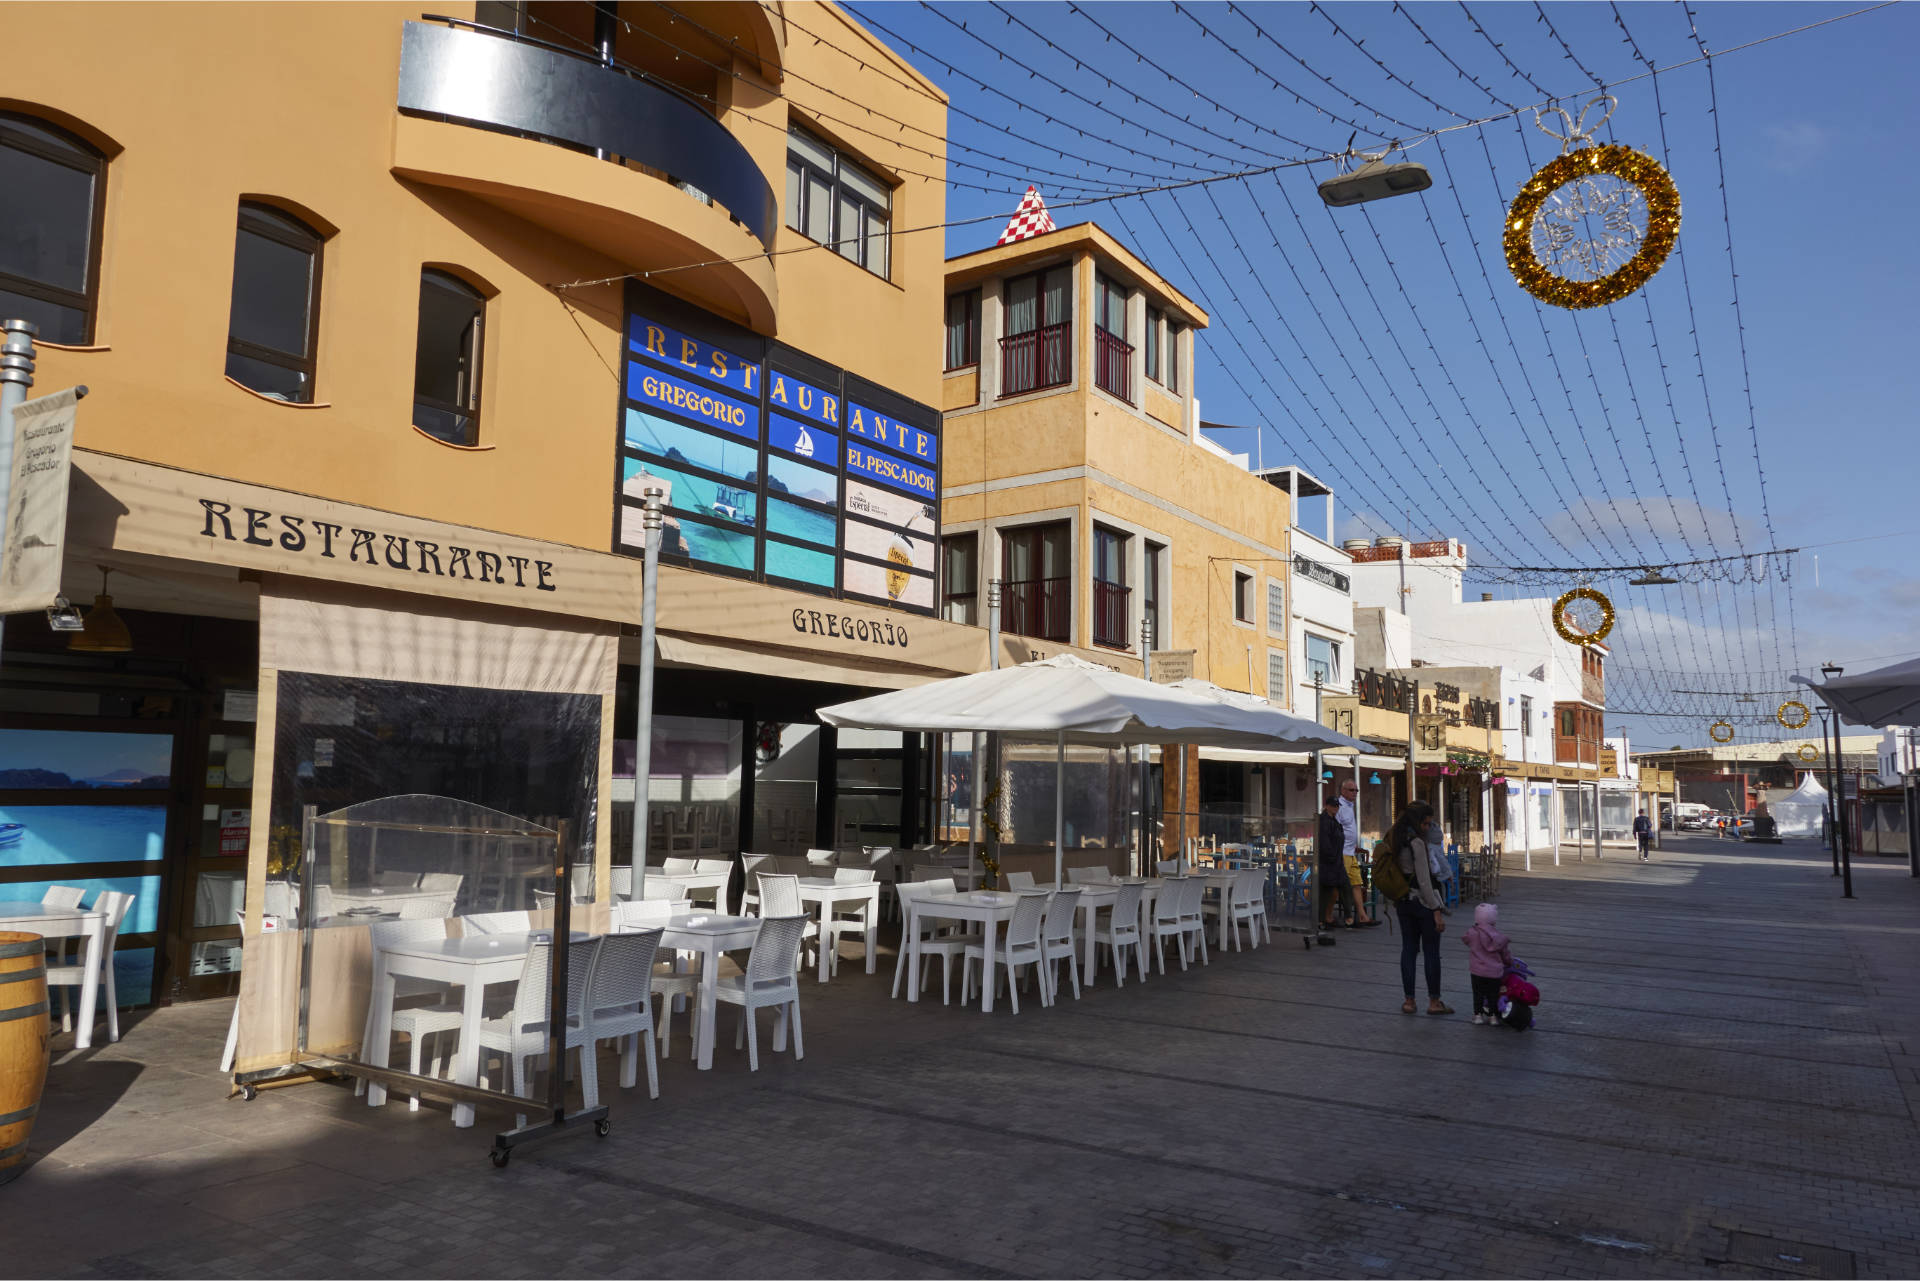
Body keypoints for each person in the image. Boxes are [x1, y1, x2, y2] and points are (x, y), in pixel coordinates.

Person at [1390, 801, 1451, 1015]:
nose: (1427, 828)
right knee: (1431, 952)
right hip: (1422, 903)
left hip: (1403, 902)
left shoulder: (1395, 839)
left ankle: (1409, 1001)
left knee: (1408, 950)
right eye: (1426, 824)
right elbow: (1425, 881)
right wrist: (1436, 910)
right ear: (1418, 822)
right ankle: (1434, 1002)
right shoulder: (1416, 843)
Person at [1461, 902, 1513, 1025]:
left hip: (1477, 971)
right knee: (1493, 994)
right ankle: (1493, 1016)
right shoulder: (1498, 937)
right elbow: (1505, 954)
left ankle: (1478, 1015)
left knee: (1478, 993)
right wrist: (1509, 962)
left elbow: (1465, 938)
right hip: (1494, 973)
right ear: (1493, 920)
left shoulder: (1472, 933)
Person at [1336, 778, 1375, 926]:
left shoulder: (1349, 807)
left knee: (1357, 883)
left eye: (1356, 790)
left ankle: (1362, 915)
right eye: (1352, 790)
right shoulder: (1339, 806)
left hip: (1351, 852)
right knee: (1341, 885)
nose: (1355, 793)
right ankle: (1329, 917)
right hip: (1342, 853)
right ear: (1343, 791)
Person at [1317, 794, 1351, 929]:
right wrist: (1331, 858)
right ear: (1327, 806)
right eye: (1333, 805)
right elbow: (1325, 843)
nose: (1336, 808)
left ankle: (1346, 917)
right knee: (1327, 890)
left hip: (1336, 861)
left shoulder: (1334, 821)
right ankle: (1323, 920)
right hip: (1329, 862)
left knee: (1344, 886)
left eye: (1337, 806)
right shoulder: (1325, 821)